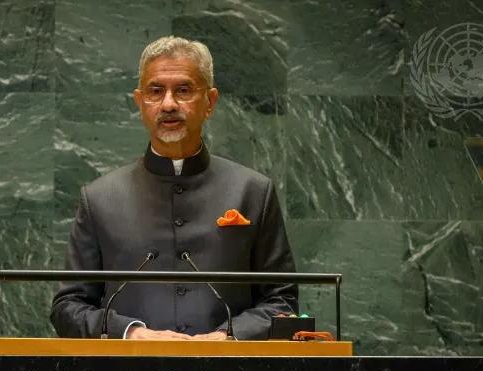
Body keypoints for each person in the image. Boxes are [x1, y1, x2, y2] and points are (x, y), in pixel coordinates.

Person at [49, 36, 298, 341]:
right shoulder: (99, 199)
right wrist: (130, 333)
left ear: (210, 102)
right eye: (156, 91)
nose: (168, 104)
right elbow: (67, 308)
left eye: (183, 90)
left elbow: (283, 303)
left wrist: (230, 336)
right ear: (140, 103)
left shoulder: (253, 192)